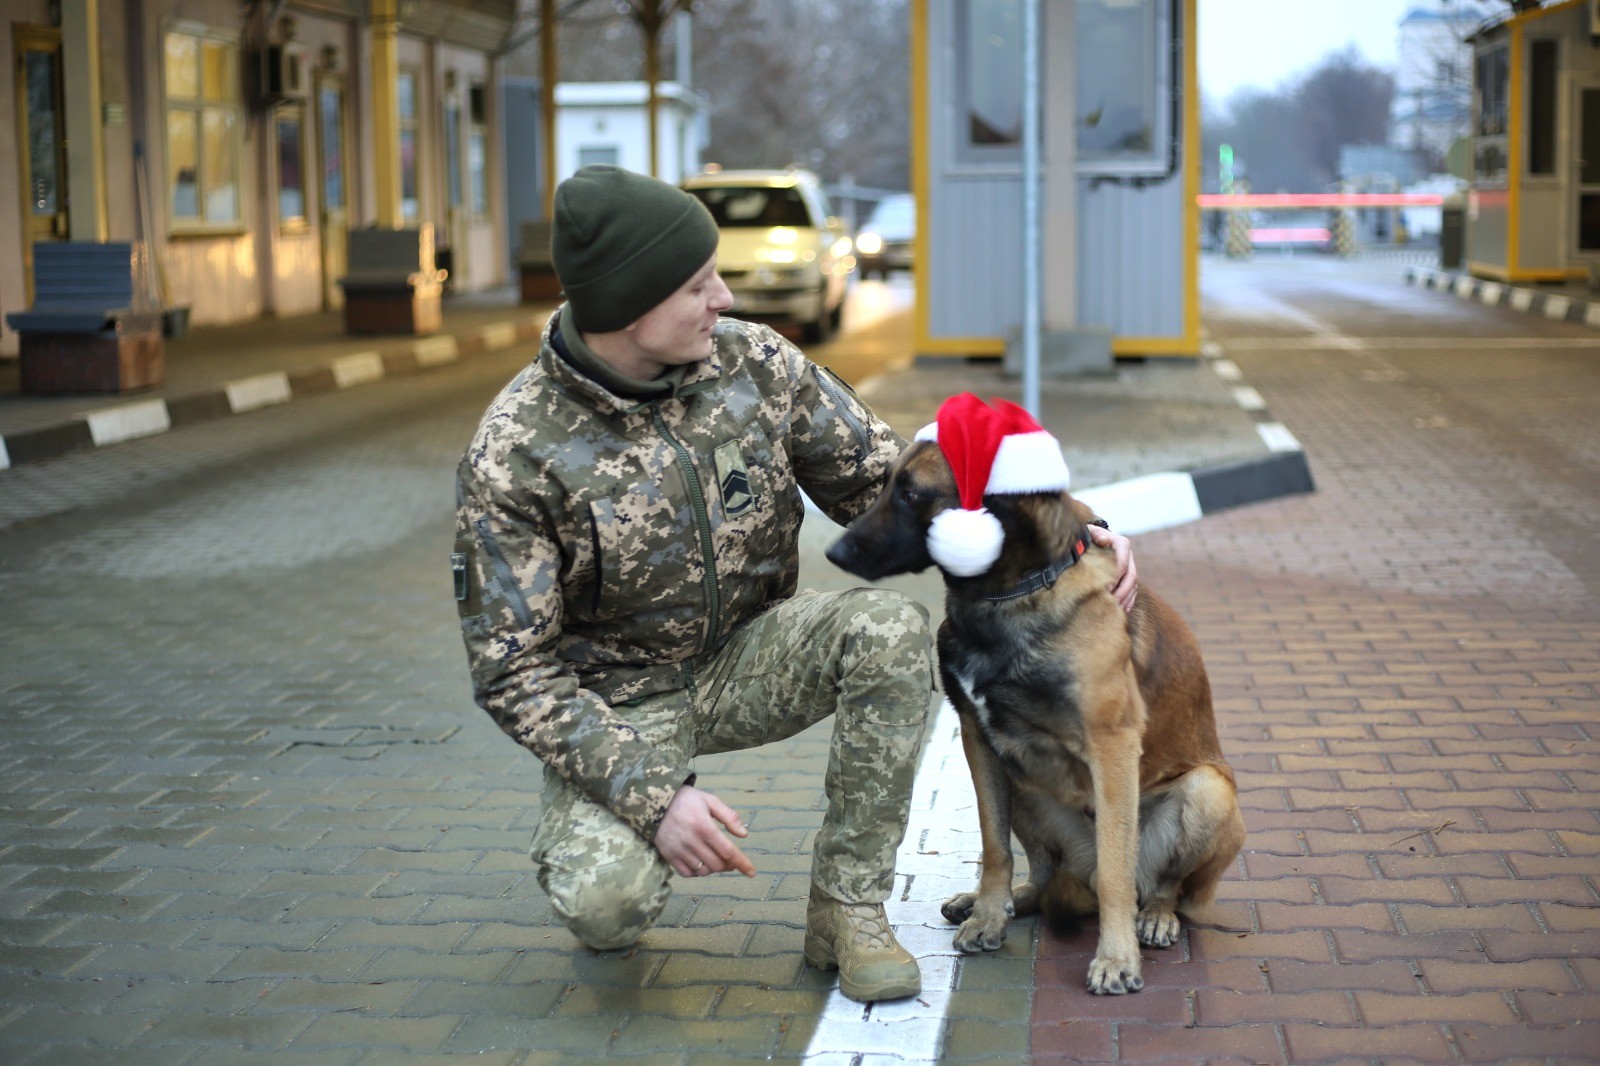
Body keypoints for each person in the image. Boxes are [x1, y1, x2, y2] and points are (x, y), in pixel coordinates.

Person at [452, 164, 1138, 1003]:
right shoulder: (516, 452)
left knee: (886, 632)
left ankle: (847, 910)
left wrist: (1075, 533)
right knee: (607, 906)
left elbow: (893, 483)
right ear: (632, 308)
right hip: (616, 703)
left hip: (750, 654)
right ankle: (616, 829)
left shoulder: (756, 365)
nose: (727, 298)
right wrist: (653, 797)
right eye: (701, 284)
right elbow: (510, 670)